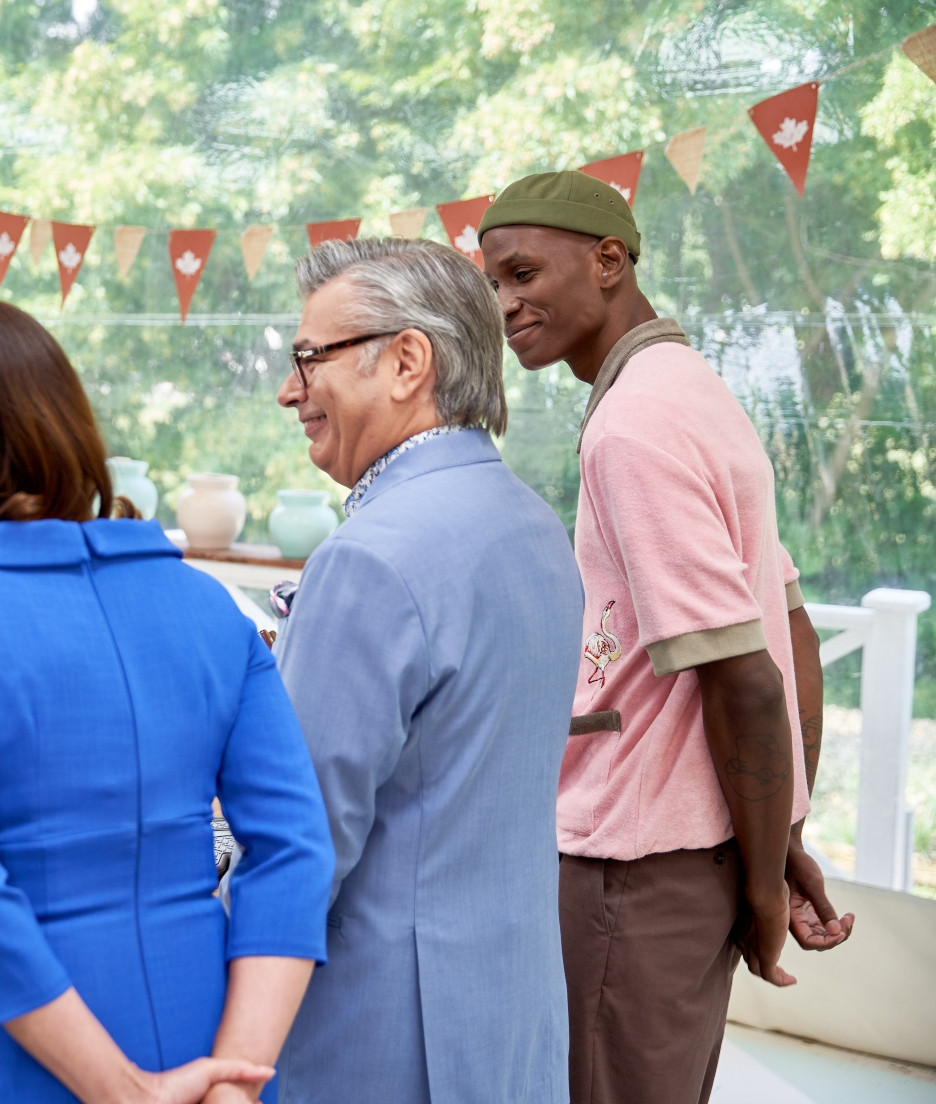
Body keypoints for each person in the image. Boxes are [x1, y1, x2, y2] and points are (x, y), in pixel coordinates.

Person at [0, 297, 335, 1104]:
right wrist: (237, 1081)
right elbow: (294, 849)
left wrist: (127, 1092)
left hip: (31, 1064)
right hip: (215, 1044)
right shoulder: (205, 604)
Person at [478, 170, 853, 1104]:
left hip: (633, 874)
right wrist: (781, 832)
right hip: (695, 855)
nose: (504, 303)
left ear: (610, 261)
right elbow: (790, 624)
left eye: (523, 272)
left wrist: (766, 892)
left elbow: (749, 678)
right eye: (491, 283)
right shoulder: (691, 390)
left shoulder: (632, 429)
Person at [270, 238, 584, 1103]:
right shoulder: (531, 524)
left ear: (408, 360)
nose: (290, 390)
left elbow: (303, 845)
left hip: (382, 1032)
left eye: (309, 358)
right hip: (510, 1011)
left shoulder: (368, 558)